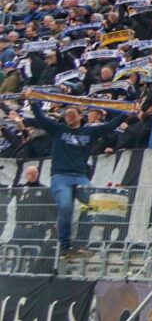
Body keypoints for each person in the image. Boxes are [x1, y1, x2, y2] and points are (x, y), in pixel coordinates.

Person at [28, 100, 125, 257]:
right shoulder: (58, 130)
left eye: (72, 114)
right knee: (65, 206)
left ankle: (80, 243)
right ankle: (65, 245)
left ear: (80, 116)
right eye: (66, 114)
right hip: (61, 176)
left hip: (80, 176)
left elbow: (109, 126)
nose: (68, 117)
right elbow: (41, 119)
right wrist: (33, 103)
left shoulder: (88, 132)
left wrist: (126, 112)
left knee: (93, 206)